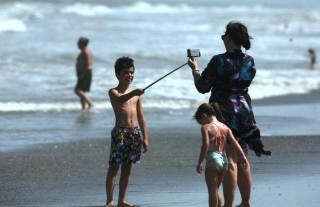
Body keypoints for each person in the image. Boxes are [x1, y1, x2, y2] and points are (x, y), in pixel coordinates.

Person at [188, 21, 271, 207]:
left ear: (230, 38)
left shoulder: (219, 60)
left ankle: (229, 205)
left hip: (223, 112)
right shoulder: (249, 61)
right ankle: (246, 202)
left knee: (230, 160)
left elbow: (202, 86)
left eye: (225, 34)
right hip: (244, 111)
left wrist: (195, 70)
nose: (222, 37)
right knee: (243, 158)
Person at [106, 57, 149, 207]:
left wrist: (145, 137)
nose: (130, 75)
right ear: (117, 74)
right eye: (126, 73)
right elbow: (120, 99)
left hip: (134, 133)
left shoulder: (136, 94)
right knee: (114, 167)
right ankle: (110, 200)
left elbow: (141, 117)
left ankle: (122, 200)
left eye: (132, 72)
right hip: (120, 133)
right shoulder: (113, 92)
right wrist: (134, 93)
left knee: (127, 168)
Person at [194, 103, 248, 207]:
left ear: (204, 116)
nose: (201, 124)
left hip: (213, 161)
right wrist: (242, 156)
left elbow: (205, 145)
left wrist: (200, 162)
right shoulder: (225, 127)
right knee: (216, 189)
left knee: (212, 192)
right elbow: (234, 142)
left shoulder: (205, 127)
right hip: (224, 161)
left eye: (201, 122)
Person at [74, 36, 94, 110]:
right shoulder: (83, 52)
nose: (77, 44)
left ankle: (90, 103)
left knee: (77, 90)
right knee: (82, 91)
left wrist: (83, 74)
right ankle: (83, 107)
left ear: (82, 44)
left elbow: (88, 64)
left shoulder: (86, 52)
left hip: (85, 73)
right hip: (84, 73)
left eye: (78, 43)